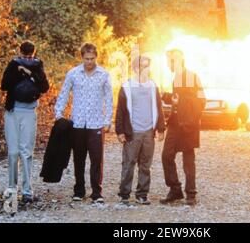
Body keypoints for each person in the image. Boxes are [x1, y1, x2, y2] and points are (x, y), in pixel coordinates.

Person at [55, 43, 113, 204]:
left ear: (96, 57)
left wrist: (107, 119)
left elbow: (109, 99)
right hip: (78, 123)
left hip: (96, 123)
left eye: (92, 58)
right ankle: (79, 190)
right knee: (78, 158)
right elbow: (64, 93)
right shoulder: (73, 74)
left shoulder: (103, 75)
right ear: (82, 57)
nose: (89, 62)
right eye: (86, 59)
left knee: (96, 158)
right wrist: (58, 113)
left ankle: (97, 192)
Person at [1, 40, 49, 203]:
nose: (27, 58)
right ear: (20, 52)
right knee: (13, 152)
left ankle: (27, 190)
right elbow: (4, 85)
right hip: (12, 111)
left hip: (29, 111)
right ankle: (12, 188)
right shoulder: (13, 64)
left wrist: (29, 72)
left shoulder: (38, 66)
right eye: (25, 55)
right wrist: (19, 70)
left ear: (34, 53)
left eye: (30, 55)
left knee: (26, 152)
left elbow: (44, 87)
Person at [115, 56, 165, 205]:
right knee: (129, 163)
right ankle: (124, 194)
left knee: (145, 165)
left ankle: (142, 194)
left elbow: (159, 108)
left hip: (149, 132)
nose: (147, 69)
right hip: (133, 132)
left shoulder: (153, 86)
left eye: (148, 66)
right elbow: (120, 111)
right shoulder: (127, 87)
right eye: (144, 66)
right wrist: (120, 131)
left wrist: (161, 128)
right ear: (136, 68)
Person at [160, 49, 206, 206]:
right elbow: (177, 100)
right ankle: (175, 190)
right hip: (174, 124)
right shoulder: (176, 78)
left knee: (188, 160)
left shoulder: (192, 77)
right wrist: (167, 96)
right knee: (166, 156)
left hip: (189, 125)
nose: (168, 65)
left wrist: (191, 120)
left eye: (170, 61)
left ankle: (191, 194)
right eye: (168, 61)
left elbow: (201, 100)